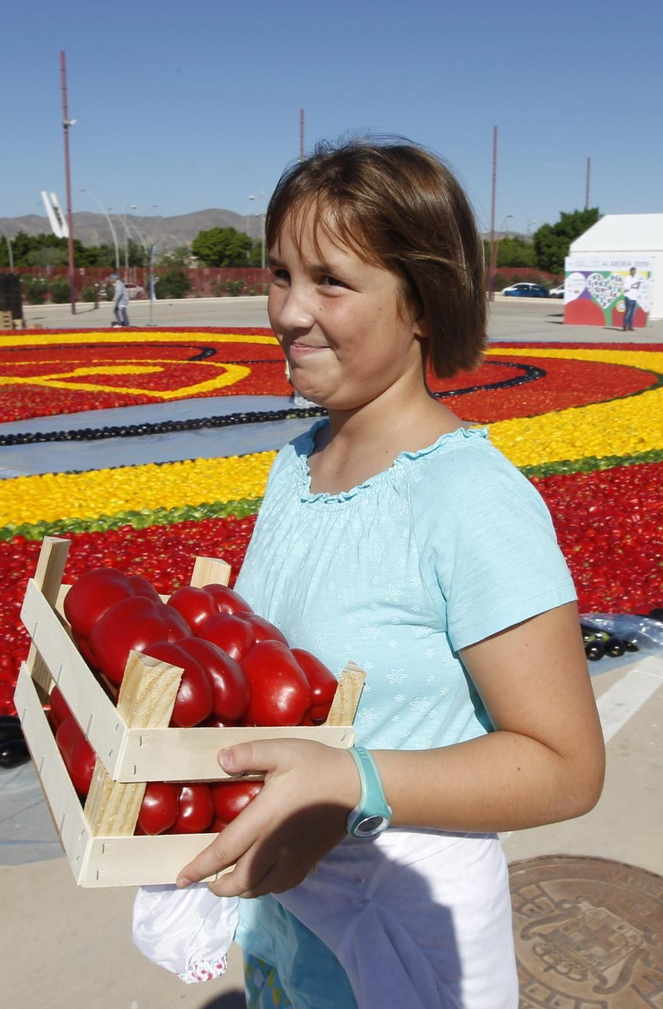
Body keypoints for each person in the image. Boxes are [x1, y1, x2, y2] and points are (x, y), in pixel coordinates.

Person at [163, 138, 604, 1007]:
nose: (290, 312)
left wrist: (356, 782)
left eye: (331, 281)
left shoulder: (469, 498)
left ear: (424, 305)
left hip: (402, 932)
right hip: (294, 927)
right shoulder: (297, 466)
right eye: (280, 274)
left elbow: (565, 765)